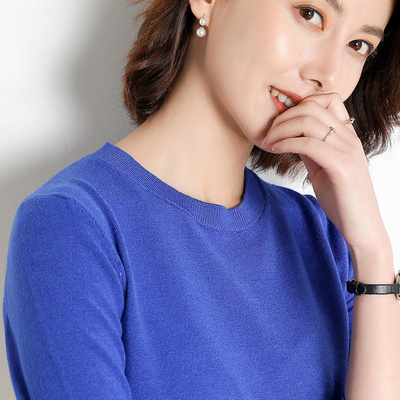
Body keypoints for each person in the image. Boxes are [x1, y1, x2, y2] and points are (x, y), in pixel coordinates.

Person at [3, 0, 400, 398]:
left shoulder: (325, 241)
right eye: (309, 14)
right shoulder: (70, 225)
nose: (328, 75)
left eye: (358, 45)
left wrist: (374, 252)